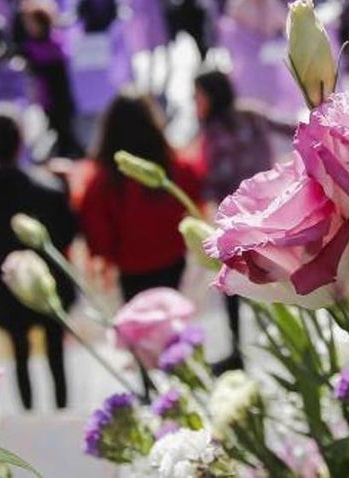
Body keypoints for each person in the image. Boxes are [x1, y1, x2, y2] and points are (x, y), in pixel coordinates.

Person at [0, 108, 77, 410]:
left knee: (19, 352)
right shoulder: (48, 189)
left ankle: (28, 415)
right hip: (49, 289)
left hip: (1, 295)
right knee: (55, 350)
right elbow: (67, 235)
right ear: (21, 141)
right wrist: (65, 186)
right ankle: (62, 413)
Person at [192, 70, 291, 369]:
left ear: (212, 95)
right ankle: (283, 346)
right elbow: (289, 128)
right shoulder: (248, 115)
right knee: (266, 276)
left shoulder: (218, 129)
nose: (195, 101)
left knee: (243, 281)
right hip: (266, 209)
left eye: (198, 95)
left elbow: (215, 177)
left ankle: (255, 348)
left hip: (241, 218)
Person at [79, 90, 202, 301]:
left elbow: (97, 229)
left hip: (131, 266)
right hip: (172, 256)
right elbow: (194, 200)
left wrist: (104, 258)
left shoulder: (101, 182)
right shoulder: (177, 167)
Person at [18, 0, 83, 159]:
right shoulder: (29, 45)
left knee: (65, 129)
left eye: (31, 22)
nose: (28, 27)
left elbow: (56, 67)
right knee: (55, 126)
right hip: (45, 96)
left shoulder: (55, 42)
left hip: (60, 95)